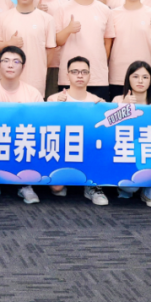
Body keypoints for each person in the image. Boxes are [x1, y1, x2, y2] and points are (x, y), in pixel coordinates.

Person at [0, 46, 45, 204]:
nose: (10, 65)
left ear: (23, 67)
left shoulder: (33, 92)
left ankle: (25, 184)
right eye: (6, 61)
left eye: (16, 62)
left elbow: (40, 123)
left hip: (22, 139)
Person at [47, 56, 107, 205]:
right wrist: (56, 109)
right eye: (75, 72)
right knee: (57, 188)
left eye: (84, 72)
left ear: (89, 75)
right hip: (64, 148)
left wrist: (103, 111)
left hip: (88, 148)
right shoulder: (54, 99)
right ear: (67, 75)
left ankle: (92, 186)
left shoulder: (97, 101)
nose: (80, 75)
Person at [55, 0, 115, 101]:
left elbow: (108, 43)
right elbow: (57, 41)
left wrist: (100, 63)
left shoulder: (105, 10)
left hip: (97, 77)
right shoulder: (63, 9)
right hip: (69, 77)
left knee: (99, 113)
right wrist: (68, 29)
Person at [111, 61, 151, 207]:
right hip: (125, 151)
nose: (140, 81)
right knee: (131, 187)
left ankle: (148, 193)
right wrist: (123, 106)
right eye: (135, 76)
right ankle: (126, 188)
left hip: (149, 152)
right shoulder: (118, 100)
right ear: (128, 79)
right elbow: (110, 130)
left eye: (145, 77)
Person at [0, 0, 55, 96]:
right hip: (8, 81)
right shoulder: (3, 18)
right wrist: (9, 43)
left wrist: (38, 66)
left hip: (35, 80)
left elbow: (50, 50)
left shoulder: (47, 19)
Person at [32, 0, 66, 98]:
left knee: (54, 102)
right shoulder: (28, 2)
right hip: (32, 62)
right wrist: (35, 12)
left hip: (56, 64)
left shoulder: (65, 3)